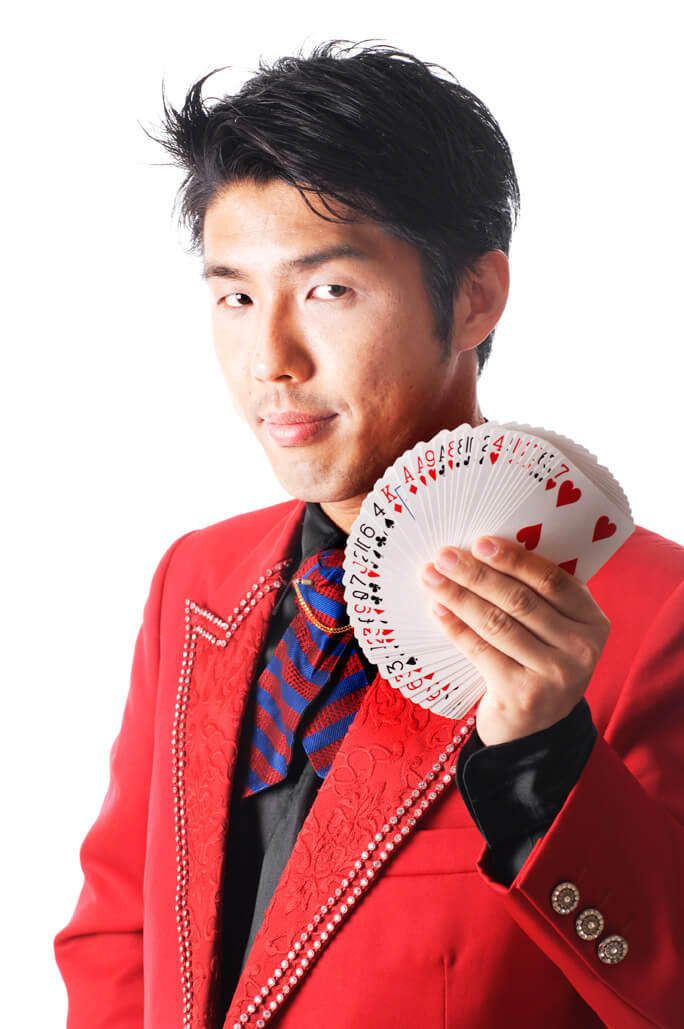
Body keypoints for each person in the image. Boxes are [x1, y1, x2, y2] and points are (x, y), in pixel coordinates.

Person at [54, 39, 684, 1029]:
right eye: (236, 296)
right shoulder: (198, 578)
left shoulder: (650, 611)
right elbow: (120, 936)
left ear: (473, 298)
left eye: (329, 291)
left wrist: (547, 767)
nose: (271, 360)